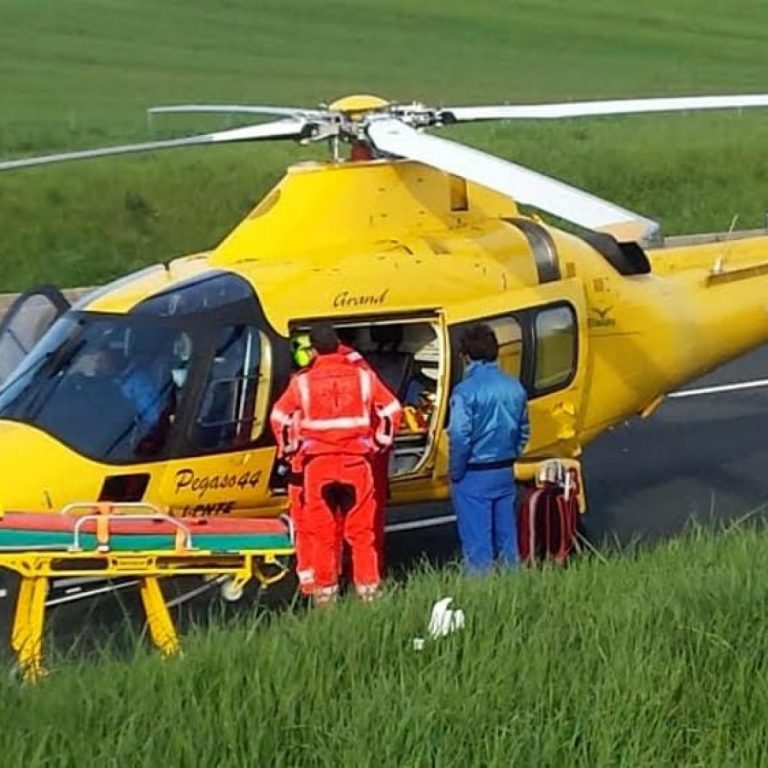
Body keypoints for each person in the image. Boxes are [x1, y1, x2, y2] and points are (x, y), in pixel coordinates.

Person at [270, 323, 401, 604]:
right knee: (362, 533)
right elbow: (392, 409)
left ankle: (325, 596)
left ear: (313, 349)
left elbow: (279, 416)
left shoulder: (302, 382)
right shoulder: (363, 377)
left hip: (318, 468)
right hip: (357, 464)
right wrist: (380, 442)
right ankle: (369, 593)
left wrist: (290, 447)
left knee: (322, 534)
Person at [448, 323, 530, 572]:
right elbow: (524, 430)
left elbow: (460, 437)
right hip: (504, 470)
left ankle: (482, 599)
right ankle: (513, 591)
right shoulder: (515, 387)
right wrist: (511, 456)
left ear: (466, 356)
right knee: (508, 541)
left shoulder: (464, 392)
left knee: (477, 547)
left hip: (473, 473)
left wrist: (456, 471)